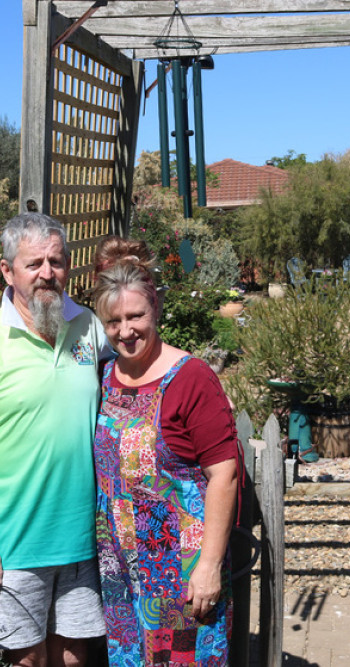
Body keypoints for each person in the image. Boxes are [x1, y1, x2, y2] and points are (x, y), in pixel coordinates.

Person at [0, 212, 109, 667]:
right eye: (34, 263)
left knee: (74, 658)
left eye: (57, 261)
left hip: (83, 539)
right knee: (26, 661)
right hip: (12, 542)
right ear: (7, 270)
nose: (47, 273)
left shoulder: (90, 327)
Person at [92, 237, 239, 666]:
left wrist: (209, 565)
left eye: (135, 316)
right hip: (120, 568)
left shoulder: (190, 377)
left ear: (154, 308)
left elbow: (224, 475)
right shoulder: (104, 378)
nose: (125, 331)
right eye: (113, 321)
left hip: (181, 569)